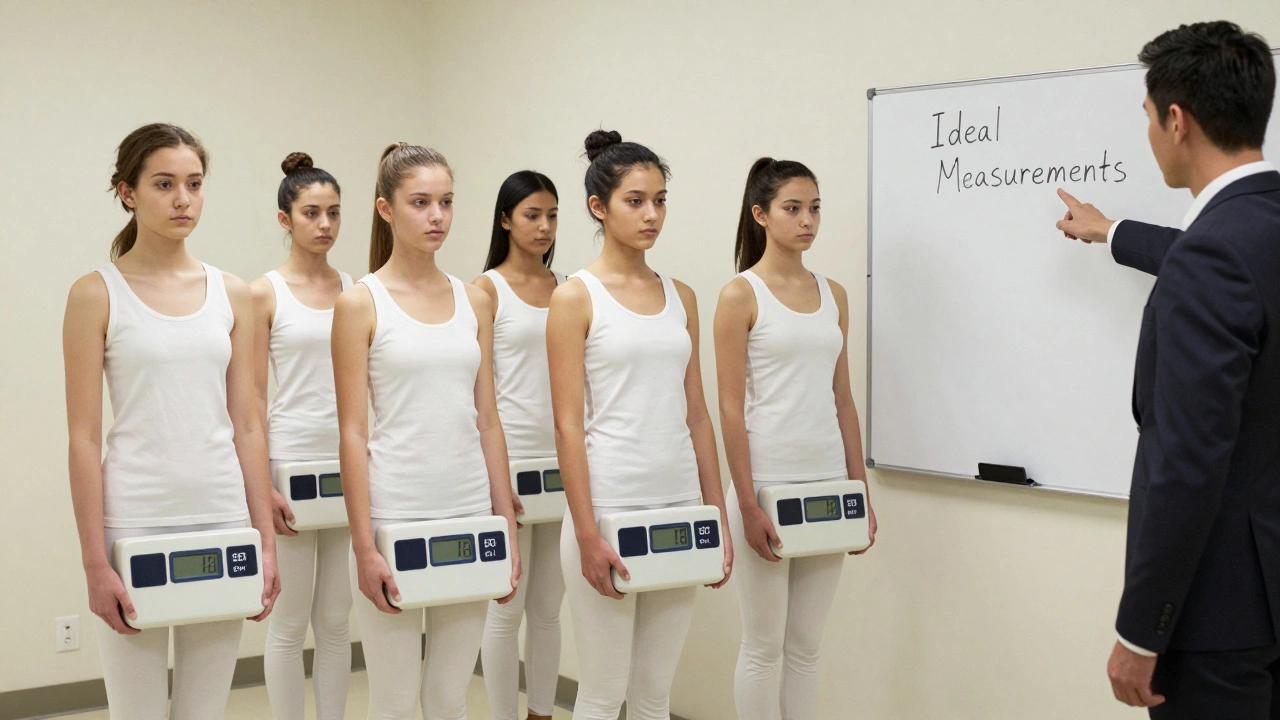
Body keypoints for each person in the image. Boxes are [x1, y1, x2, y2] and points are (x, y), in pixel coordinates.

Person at [1055, 21, 1280, 718]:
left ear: (1176, 120)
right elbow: (1229, 269)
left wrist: (1140, 628)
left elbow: (1185, 464)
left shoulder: (1211, 259)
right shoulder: (1249, 238)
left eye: (1148, 116)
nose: (1149, 131)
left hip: (1217, 620)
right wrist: (1115, 230)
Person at [62, 123, 279, 719]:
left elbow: (249, 425)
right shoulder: (95, 294)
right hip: (133, 519)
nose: (183, 199)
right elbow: (82, 438)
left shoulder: (233, 294)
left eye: (194, 184)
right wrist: (93, 562)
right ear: (127, 192)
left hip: (220, 515)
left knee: (204, 712)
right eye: (164, 184)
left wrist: (263, 540)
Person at [547, 130, 734, 720]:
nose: (652, 214)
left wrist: (716, 514)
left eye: (660, 199)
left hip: (678, 504)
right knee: (604, 692)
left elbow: (697, 415)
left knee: (656, 693)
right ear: (599, 208)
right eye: (635, 200)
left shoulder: (681, 296)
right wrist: (584, 533)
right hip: (608, 509)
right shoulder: (575, 298)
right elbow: (567, 426)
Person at [332, 142, 521, 719]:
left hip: (467, 509)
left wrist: (505, 524)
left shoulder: (475, 300)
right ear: (386, 209)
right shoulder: (359, 304)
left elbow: (488, 419)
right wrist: (364, 546)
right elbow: (352, 434)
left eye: (446, 202)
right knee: (392, 699)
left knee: (448, 696)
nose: (436, 216)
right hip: (395, 514)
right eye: (420, 202)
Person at [714, 158, 876, 720]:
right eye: (792, 208)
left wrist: (860, 492)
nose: (807, 220)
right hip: (765, 485)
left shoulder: (834, 294)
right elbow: (729, 410)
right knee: (764, 647)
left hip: (828, 483)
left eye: (814, 208)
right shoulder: (740, 295)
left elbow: (844, 400)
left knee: (805, 648)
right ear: (761, 215)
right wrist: (748, 500)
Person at [251, 152, 353, 720]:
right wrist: (261, 482)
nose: (325, 225)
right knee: (289, 623)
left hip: (349, 465)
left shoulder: (358, 290)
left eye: (334, 213)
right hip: (289, 466)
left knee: (336, 620)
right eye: (312, 212)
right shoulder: (263, 293)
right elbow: (252, 400)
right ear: (284, 218)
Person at [476, 170, 566, 720]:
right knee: (505, 606)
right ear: (506, 219)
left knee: (549, 608)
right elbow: (481, 393)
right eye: (532, 215)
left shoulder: (567, 288)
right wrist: (495, 479)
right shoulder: (486, 289)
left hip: (562, 462)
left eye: (552, 215)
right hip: (509, 462)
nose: (544, 226)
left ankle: (541, 712)